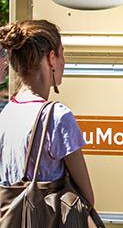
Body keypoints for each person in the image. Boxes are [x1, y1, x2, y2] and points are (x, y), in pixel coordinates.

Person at [0, 20, 94, 206]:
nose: (64, 62)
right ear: (51, 58)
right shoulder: (57, 117)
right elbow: (87, 198)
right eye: (62, 54)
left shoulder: (7, 112)